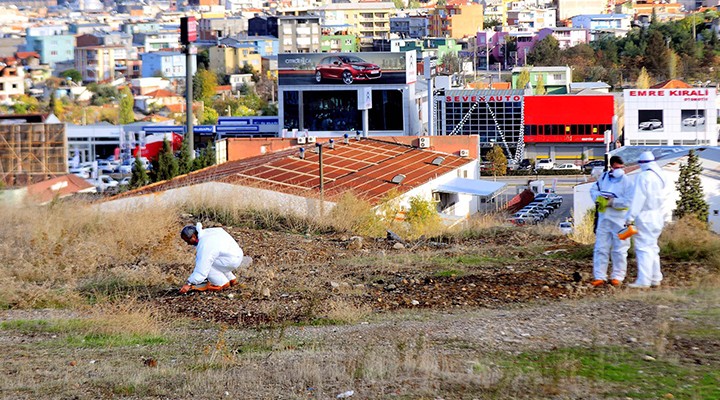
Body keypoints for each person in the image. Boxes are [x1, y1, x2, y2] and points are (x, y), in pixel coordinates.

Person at [625, 151, 668, 289]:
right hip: (658, 216)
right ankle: (656, 277)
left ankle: (644, 280)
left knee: (643, 248)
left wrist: (630, 217)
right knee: (653, 247)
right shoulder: (661, 176)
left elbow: (638, 199)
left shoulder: (643, 176)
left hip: (645, 217)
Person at [590, 155, 633, 287]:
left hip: (620, 220)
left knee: (619, 250)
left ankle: (618, 277)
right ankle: (599, 276)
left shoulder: (627, 182)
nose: (618, 170)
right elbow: (593, 190)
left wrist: (613, 202)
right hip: (604, 218)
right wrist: (600, 199)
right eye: (615, 167)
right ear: (611, 167)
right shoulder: (604, 178)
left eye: (620, 167)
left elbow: (629, 201)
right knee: (600, 248)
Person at [179, 222, 253, 294]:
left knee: (206, 263)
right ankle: (232, 279)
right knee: (217, 258)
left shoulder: (205, 244)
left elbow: (202, 269)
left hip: (230, 261)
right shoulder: (210, 232)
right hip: (237, 255)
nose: (188, 243)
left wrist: (189, 284)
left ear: (193, 236)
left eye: (187, 240)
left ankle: (221, 284)